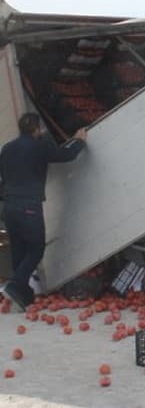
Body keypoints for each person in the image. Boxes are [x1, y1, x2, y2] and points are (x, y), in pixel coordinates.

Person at [0, 113, 87, 310]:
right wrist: (79, 141)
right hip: (29, 205)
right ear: (36, 129)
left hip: (10, 206)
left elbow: (3, 176)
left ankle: (23, 297)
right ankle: (15, 286)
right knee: (36, 247)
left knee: (19, 251)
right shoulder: (40, 144)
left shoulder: (7, 148)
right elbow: (65, 156)